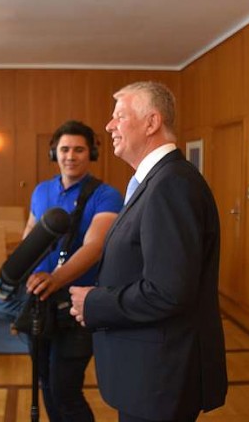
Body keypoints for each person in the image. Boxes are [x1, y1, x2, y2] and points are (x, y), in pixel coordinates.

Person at [69, 82, 228, 422]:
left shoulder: (170, 185)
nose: (109, 126)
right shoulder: (158, 181)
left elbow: (168, 292)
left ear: (151, 122)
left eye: (119, 117)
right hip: (149, 373)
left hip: (160, 377)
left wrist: (94, 302)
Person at [24, 120, 122, 422]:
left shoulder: (107, 195)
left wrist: (54, 279)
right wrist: (26, 272)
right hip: (40, 300)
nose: (71, 155)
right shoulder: (41, 190)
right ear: (55, 152)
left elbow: (95, 248)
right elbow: (29, 233)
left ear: (90, 152)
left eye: (79, 149)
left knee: (66, 388)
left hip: (78, 304)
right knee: (46, 383)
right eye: (65, 149)